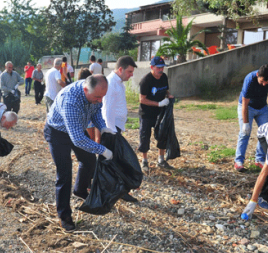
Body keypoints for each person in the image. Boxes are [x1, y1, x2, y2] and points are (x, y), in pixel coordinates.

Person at [44, 75, 114, 232]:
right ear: (85, 90)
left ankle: (80, 190)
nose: (100, 100)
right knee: (64, 174)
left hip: (76, 126)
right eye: (97, 97)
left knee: (89, 161)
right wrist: (103, 150)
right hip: (57, 133)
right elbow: (78, 139)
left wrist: (102, 127)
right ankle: (64, 216)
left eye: (103, 96)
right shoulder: (70, 100)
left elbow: (96, 111)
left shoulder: (94, 95)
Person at [102, 55, 138, 202]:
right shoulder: (111, 83)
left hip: (116, 128)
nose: (131, 75)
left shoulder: (118, 83)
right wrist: (111, 131)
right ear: (120, 69)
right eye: (129, 72)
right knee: (117, 160)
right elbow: (107, 110)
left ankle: (115, 189)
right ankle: (115, 190)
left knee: (115, 160)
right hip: (111, 129)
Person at [234, 64, 268, 172]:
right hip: (247, 107)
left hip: (262, 107)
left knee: (266, 133)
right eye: (262, 81)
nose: (264, 85)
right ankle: (238, 161)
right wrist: (245, 123)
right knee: (245, 133)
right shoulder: (250, 80)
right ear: (258, 75)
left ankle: (259, 159)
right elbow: (245, 103)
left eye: (266, 83)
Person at [138, 56, 174, 171]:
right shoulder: (145, 80)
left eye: (162, 67)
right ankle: (144, 161)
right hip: (147, 114)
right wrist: (158, 104)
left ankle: (161, 160)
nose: (161, 70)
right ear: (152, 67)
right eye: (158, 67)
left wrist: (169, 95)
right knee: (145, 137)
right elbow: (142, 99)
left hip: (160, 114)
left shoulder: (163, 77)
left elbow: (165, 89)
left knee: (162, 135)